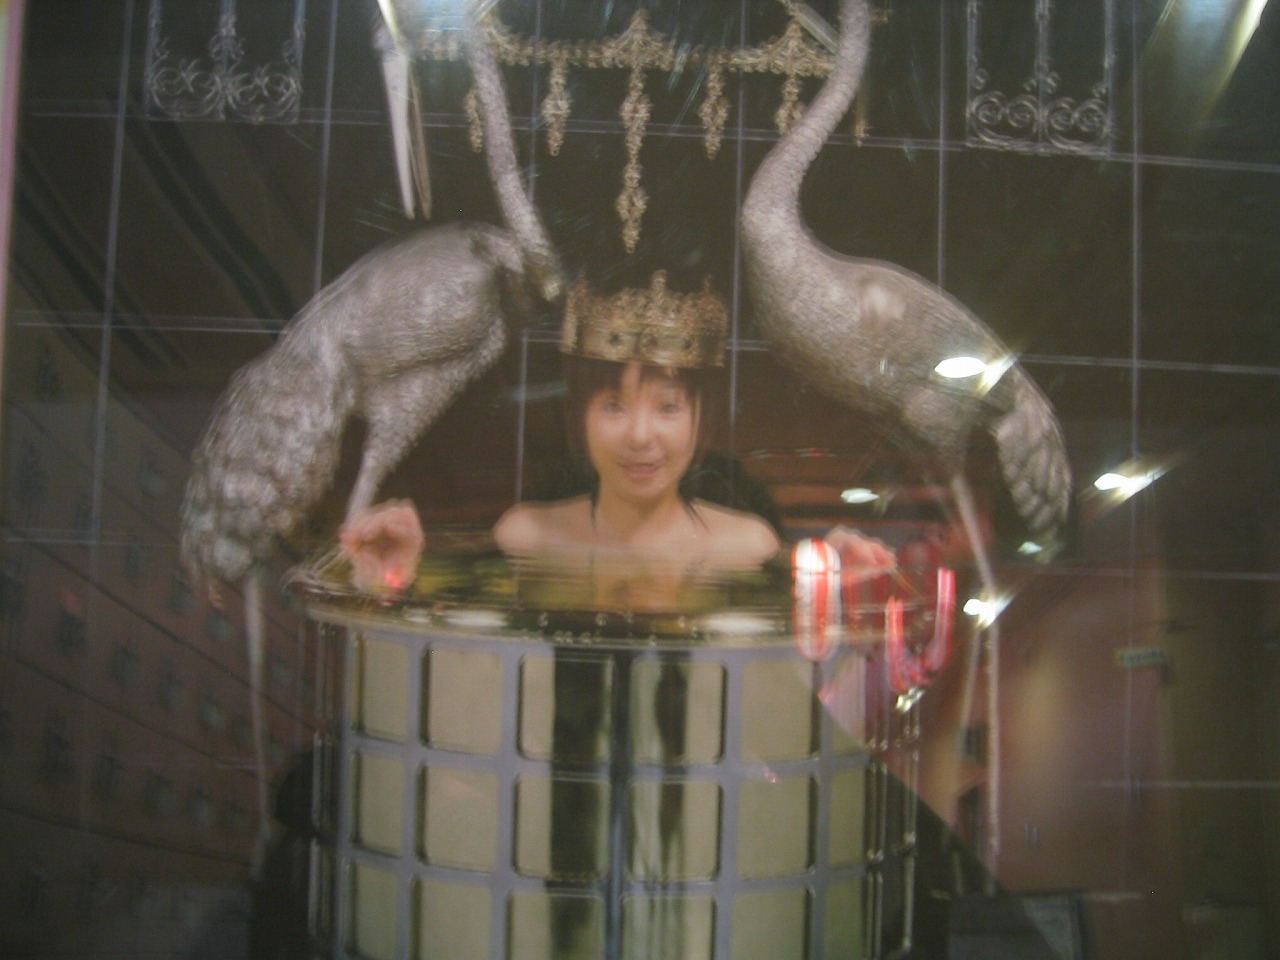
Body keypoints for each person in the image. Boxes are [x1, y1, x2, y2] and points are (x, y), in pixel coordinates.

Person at [339, 271, 893, 589]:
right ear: (580, 417)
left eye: (668, 407)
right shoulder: (527, 537)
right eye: (612, 406)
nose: (640, 436)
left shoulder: (746, 546)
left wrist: (829, 574)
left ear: (700, 419)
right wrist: (407, 563)